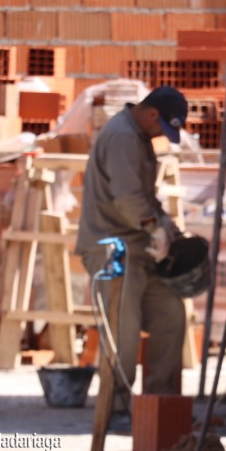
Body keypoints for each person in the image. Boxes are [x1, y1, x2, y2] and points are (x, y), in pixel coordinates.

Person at [76, 86, 189, 404]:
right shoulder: (123, 137)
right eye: (162, 127)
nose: (160, 135)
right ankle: (117, 404)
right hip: (111, 249)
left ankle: (159, 403)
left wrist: (165, 225)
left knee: (170, 315)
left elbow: (144, 195)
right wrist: (154, 227)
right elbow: (128, 200)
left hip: (138, 247)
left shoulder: (138, 136)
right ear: (152, 114)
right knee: (123, 331)